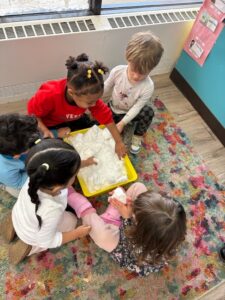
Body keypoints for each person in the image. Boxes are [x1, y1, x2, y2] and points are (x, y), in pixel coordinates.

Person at [0, 139, 91, 265]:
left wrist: (84, 163)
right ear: (58, 187)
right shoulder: (51, 209)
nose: (75, 176)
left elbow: (61, 167)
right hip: (34, 235)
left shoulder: (37, 175)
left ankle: (16, 225)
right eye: (74, 175)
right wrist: (76, 233)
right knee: (72, 221)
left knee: (33, 219)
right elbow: (47, 241)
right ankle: (30, 247)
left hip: (21, 214)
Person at [67, 182, 187, 276]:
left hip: (126, 247)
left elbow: (127, 244)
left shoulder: (143, 251)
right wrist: (125, 200)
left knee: (103, 237)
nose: (133, 209)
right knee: (138, 187)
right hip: (133, 228)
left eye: (135, 214)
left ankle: (84, 207)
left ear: (140, 230)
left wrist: (126, 217)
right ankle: (113, 215)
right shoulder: (171, 231)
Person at [27, 53, 126, 158]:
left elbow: (106, 117)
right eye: (89, 103)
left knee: (92, 133)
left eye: (96, 100)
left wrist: (118, 141)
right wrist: (47, 131)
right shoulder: (49, 95)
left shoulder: (88, 95)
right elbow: (32, 116)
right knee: (54, 152)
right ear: (71, 93)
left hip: (71, 118)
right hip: (50, 125)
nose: (94, 104)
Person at [103, 31, 164, 154]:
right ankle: (121, 124)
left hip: (131, 113)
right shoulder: (117, 71)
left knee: (148, 112)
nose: (136, 77)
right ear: (128, 58)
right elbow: (105, 88)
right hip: (113, 109)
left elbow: (137, 107)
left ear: (151, 69)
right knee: (95, 125)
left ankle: (137, 136)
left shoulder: (148, 86)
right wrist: (92, 96)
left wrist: (122, 123)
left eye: (142, 73)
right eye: (133, 70)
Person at [0, 113, 41, 197]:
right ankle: (3, 186)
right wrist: (37, 169)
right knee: (25, 194)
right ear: (16, 156)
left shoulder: (23, 133)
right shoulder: (5, 170)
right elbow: (18, 183)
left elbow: (36, 137)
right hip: (12, 181)